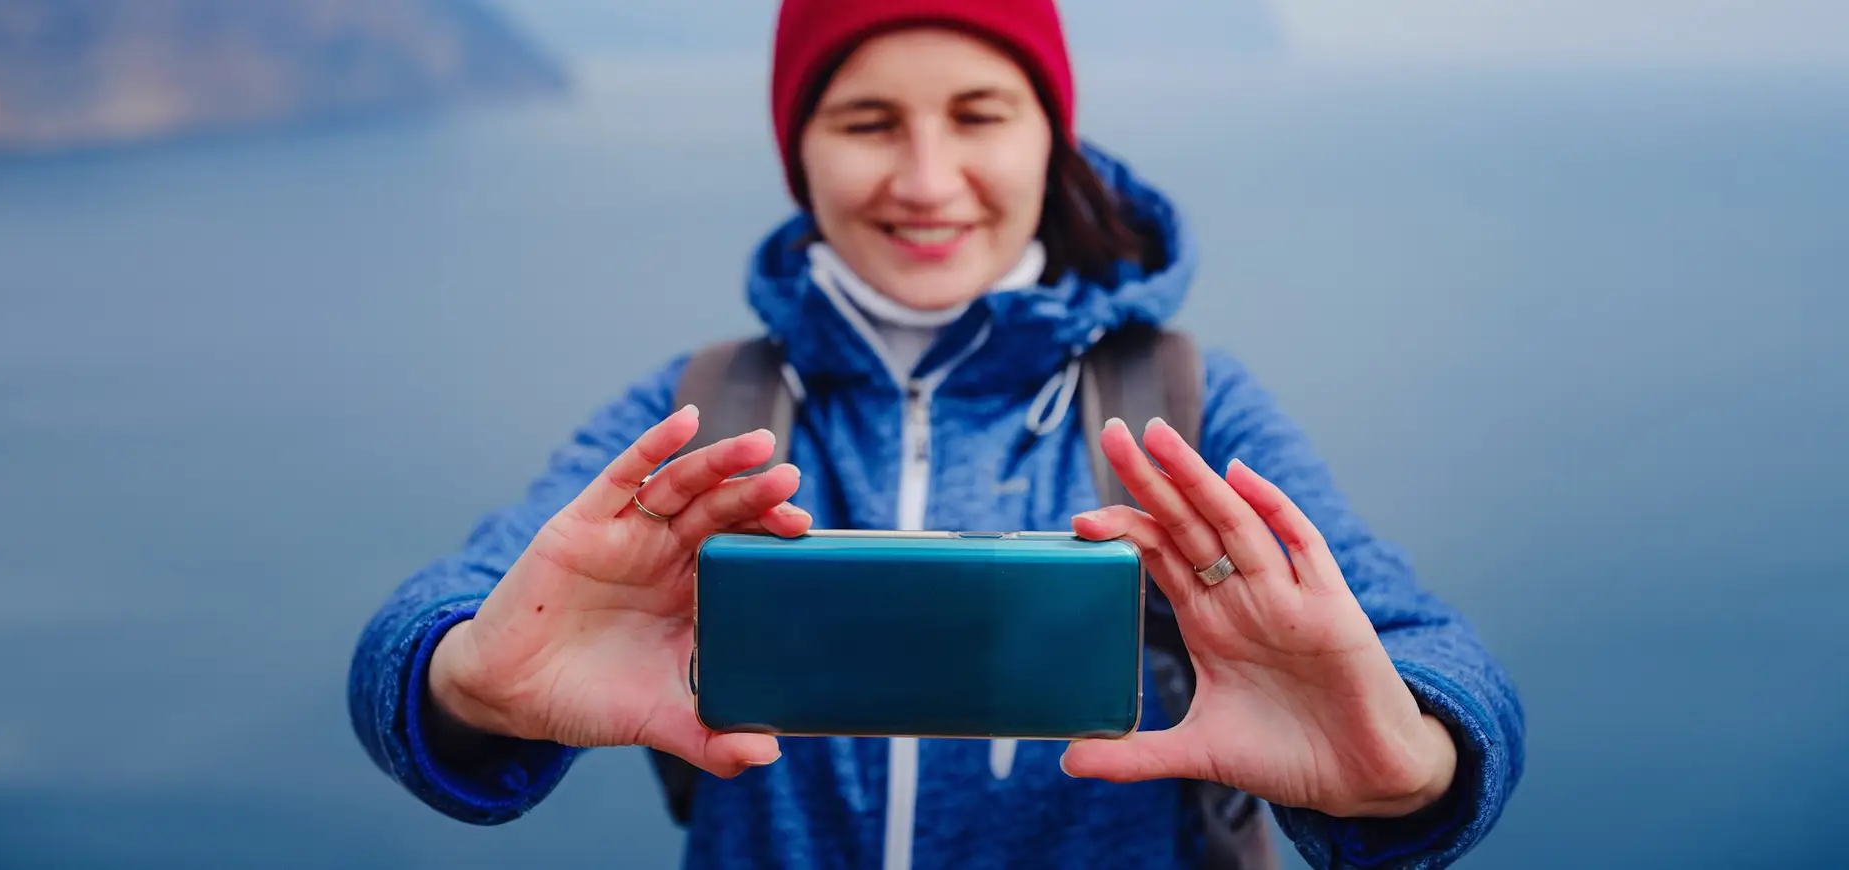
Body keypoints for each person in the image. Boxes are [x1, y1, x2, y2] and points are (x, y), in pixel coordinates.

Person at [346, 1, 1526, 867]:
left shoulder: (1180, 404)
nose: (927, 176)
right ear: (798, 153)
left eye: (979, 114)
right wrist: (466, 680)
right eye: (867, 120)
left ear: (1048, 136)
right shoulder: (705, 407)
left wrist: (1410, 760)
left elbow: (1435, 659)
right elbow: (431, 624)